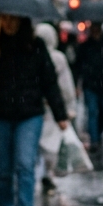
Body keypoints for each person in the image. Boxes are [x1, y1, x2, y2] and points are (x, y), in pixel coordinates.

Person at [0, 14, 68, 206]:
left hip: (29, 114)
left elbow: (49, 80)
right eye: (5, 20)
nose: (9, 24)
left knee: (26, 164)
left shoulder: (35, 46)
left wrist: (60, 114)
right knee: (4, 168)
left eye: (14, 20)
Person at [34, 22, 77, 193]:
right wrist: (69, 105)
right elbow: (66, 85)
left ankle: (37, 170)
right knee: (51, 144)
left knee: (36, 143)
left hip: (37, 106)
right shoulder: (58, 57)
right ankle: (48, 173)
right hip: (53, 108)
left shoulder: (34, 54)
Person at [75, 23, 103, 152]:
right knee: (93, 111)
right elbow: (78, 65)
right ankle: (95, 140)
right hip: (91, 84)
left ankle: (97, 135)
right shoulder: (85, 46)